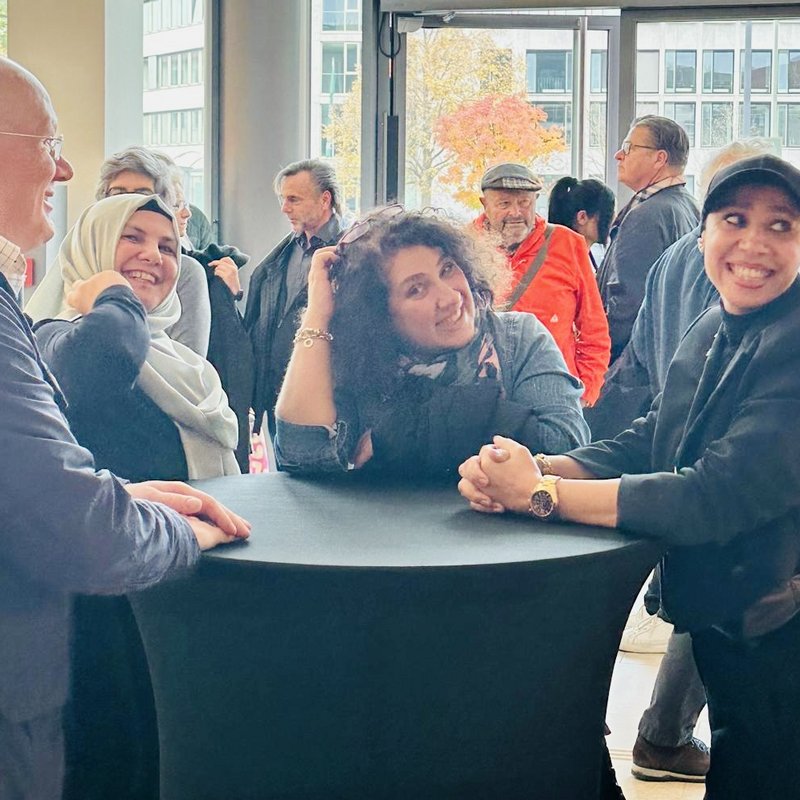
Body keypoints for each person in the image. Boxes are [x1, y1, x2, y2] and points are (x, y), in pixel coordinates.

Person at [458, 153, 800, 799]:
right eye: (735, 219)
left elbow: (711, 495)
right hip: (733, 615)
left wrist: (541, 494)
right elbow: (657, 434)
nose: (754, 243)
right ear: (703, 233)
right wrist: (543, 465)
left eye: (780, 225)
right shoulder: (717, 321)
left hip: (779, 627)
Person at [0, 55, 249, 800]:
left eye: (167, 245)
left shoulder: (184, 356)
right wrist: (180, 529)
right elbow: (73, 525)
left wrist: (125, 499)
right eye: (49, 144)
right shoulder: (61, 328)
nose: (65, 168)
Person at [274, 209, 589, 477]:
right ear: (379, 315)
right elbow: (301, 454)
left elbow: (563, 449)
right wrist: (317, 314)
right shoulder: (360, 361)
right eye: (416, 289)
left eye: (447, 269)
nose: (450, 297)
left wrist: (405, 432)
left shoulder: (518, 339)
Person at [30, 144, 213, 357]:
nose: (127, 202)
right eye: (118, 194)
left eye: (142, 194)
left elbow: (189, 358)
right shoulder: (76, 264)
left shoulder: (178, 271)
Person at [474, 163, 610, 406]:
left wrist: (586, 393)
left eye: (524, 203)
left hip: (554, 395)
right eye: (504, 204)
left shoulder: (568, 244)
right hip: (483, 397)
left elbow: (594, 328)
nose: (515, 213)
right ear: (484, 204)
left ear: (536, 201)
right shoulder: (463, 246)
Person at [244, 159, 346, 438]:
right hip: (279, 391)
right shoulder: (283, 254)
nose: (284, 208)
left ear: (325, 199)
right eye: (283, 198)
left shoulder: (353, 253)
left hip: (328, 397)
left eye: (294, 199)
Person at [595, 115, 699, 362]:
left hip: (632, 365)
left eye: (629, 147)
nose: (618, 155)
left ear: (659, 158)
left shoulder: (647, 215)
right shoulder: (689, 206)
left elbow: (629, 303)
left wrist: (598, 352)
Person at [547, 176, 615, 269]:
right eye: (607, 214)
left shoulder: (573, 257)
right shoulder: (563, 264)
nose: (612, 220)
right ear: (582, 217)